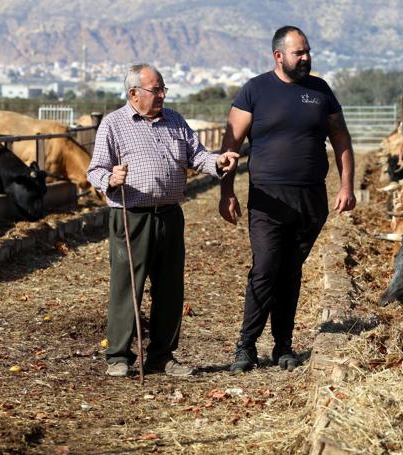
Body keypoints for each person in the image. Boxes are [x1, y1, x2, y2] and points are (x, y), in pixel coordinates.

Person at [87, 63, 239, 377]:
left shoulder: (175, 120)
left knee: (170, 288)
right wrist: (111, 178)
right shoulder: (114, 124)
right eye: (155, 90)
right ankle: (118, 355)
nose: (161, 95)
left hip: (170, 215)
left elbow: (197, 155)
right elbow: (95, 170)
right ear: (133, 93)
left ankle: (162, 355)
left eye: (162, 89)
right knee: (127, 286)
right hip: (132, 216)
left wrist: (218, 161)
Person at [219, 26, 356, 373]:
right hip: (268, 198)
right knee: (265, 269)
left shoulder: (320, 90)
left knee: (290, 271)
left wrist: (346, 187)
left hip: (310, 200)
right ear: (279, 56)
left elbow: (341, 138)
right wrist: (226, 191)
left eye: (308, 51)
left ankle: (283, 346)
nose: (306, 57)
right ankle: (246, 347)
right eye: (299, 52)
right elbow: (230, 146)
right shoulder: (255, 90)